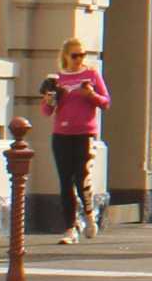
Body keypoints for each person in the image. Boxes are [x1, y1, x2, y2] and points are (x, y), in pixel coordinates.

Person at [39, 41, 110, 244]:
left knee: (82, 178)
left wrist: (91, 95)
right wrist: (50, 98)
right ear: (66, 57)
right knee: (65, 182)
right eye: (75, 56)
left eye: (82, 55)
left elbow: (106, 102)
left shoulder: (91, 75)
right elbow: (46, 111)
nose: (79, 59)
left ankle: (89, 214)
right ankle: (70, 228)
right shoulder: (57, 79)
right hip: (61, 133)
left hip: (84, 134)